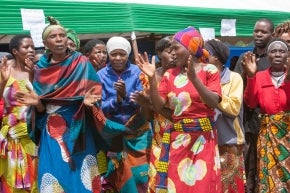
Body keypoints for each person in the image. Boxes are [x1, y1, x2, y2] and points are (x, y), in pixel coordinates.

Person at [14, 16, 129, 193]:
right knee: (53, 175)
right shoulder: (41, 68)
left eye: (62, 35)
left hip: (78, 127)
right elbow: (42, 108)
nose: (59, 39)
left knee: (82, 178)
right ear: (45, 42)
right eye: (53, 36)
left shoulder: (81, 62)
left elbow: (94, 92)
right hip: (51, 131)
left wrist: (88, 103)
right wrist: (37, 104)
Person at [136, 26, 222, 192]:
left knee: (202, 186)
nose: (172, 53)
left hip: (203, 140)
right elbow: (159, 106)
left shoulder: (209, 70)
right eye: (170, 50)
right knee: (177, 185)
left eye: (176, 48)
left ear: (190, 48)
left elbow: (213, 102)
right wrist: (152, 78)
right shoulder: (169, 75)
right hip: (179, 140)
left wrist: (194, 79)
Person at [97, 36, 152, 193]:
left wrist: (125, 95)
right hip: (114, 135)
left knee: (141, 174)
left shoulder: (137, 72)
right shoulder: (100, 76)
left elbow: (145, 101)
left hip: (138, 133)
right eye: (114, 54)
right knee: (118, 175)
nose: (118, 58)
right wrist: (117, 100)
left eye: (122, 54)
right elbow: (99, 107)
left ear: (128, 54)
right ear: (108, 55)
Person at [242, 37, 290, 193]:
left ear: (287, 55)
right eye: (273, 51)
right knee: (267, 173)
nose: (277, 54)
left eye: (281, 51)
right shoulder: (259, 76)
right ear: (268, 56)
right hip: (267, 134)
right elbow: (250, 103)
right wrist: (250, 77)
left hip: (288, 133)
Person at [234, 18, 274, 193]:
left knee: (267, 168)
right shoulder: (245, 57)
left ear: (271, 35)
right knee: (249, 169)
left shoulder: (275, 59)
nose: (258, 34)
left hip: (270, 123)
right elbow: (236, 87)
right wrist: (247, 73)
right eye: (256, 30)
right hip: (249, 124)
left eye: (263, 32)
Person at [205, 39, 246, 193]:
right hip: (206, 141)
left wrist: (211, 94)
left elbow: (234, 108)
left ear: (215, 57)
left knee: (230, 187)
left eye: (205, 51)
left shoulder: (234, 78)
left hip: (229, 141)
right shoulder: (202, 77)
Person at [0, 34, 38, 192]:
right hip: (12, 137)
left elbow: (43, 103)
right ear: (15, 51)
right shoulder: (4, 72)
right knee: (11, 182)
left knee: (35, 178)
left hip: (33, 136)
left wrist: (34, 77)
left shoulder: (40, 72)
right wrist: (3, 81)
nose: (31, 50)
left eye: (33, 47)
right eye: (26, 47)